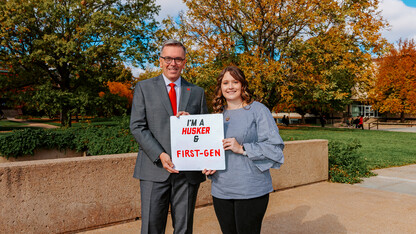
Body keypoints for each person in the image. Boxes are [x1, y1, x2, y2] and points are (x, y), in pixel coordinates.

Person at [130, 39, 208, 234]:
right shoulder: (144, 88)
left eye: (178, 59)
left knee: (184, 229)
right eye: (168, 58)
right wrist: (161, 155)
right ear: (160, 60)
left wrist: (192, 123)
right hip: (154, 169)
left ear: (184, 62)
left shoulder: (197, 92)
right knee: (151, 228)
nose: (173, 63)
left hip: (187, 173)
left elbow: (205, 131)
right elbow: (137, 126)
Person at [203, 66, 284, 234]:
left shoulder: (258, 110)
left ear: (243, 85)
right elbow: (208, 149)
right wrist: (208, 164)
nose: (230, 86)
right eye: (225, 83)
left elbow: (275, 148)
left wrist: (242, 148)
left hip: (250, 189)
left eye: (235, 82)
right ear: (220, 87)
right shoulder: (216, 115)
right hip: (221, 190)